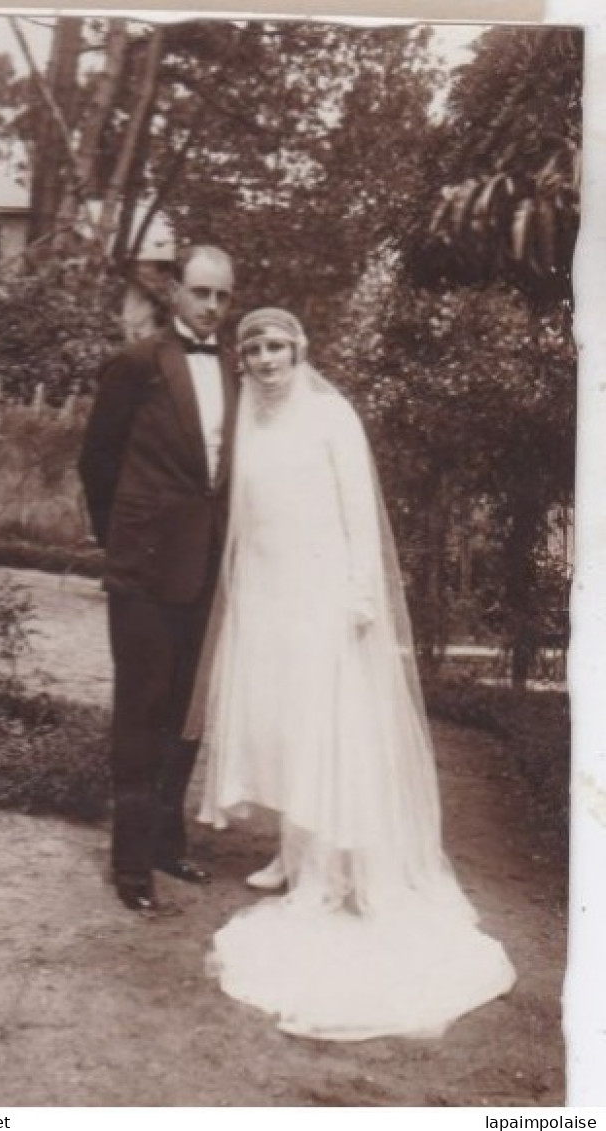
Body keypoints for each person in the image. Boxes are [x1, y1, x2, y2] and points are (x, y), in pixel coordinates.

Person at [187, 308, 516, 1038]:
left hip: (322, 592)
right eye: (253, 350)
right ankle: (288, 847)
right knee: (274, 721)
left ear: (298, 349)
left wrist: (361, 592)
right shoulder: (248, 421)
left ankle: (323, 866)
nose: (265, 360)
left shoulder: (332, 416)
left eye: (276, 347)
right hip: (267, 592)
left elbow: (356, 512)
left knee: (318, 723)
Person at [79, 246, 238, 916]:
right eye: (201, 292)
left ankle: (167, 844)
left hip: (206, 567)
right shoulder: (139, 362)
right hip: (144, 566)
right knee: (142, 709)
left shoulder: (235, 369)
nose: (211, 306)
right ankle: (129, 864)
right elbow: (97, 460)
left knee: (184, 712)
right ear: (175, 292)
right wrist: (123, 539)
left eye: (222, 296)